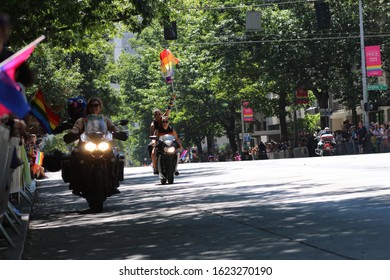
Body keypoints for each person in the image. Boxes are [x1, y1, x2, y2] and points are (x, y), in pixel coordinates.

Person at [69, 97, 121, 195]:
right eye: (91, 106)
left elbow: (114, 128)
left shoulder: (105, 119)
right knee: (75, 156)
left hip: (103, 144)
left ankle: (113, 183)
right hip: (87, 144)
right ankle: (76, 184)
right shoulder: (83, 119)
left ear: (100, 107)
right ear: (88, 108)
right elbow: (76, 128)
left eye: (96, 105)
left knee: (115, 156)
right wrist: (73, 132)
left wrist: (119, 132)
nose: (94, 107)